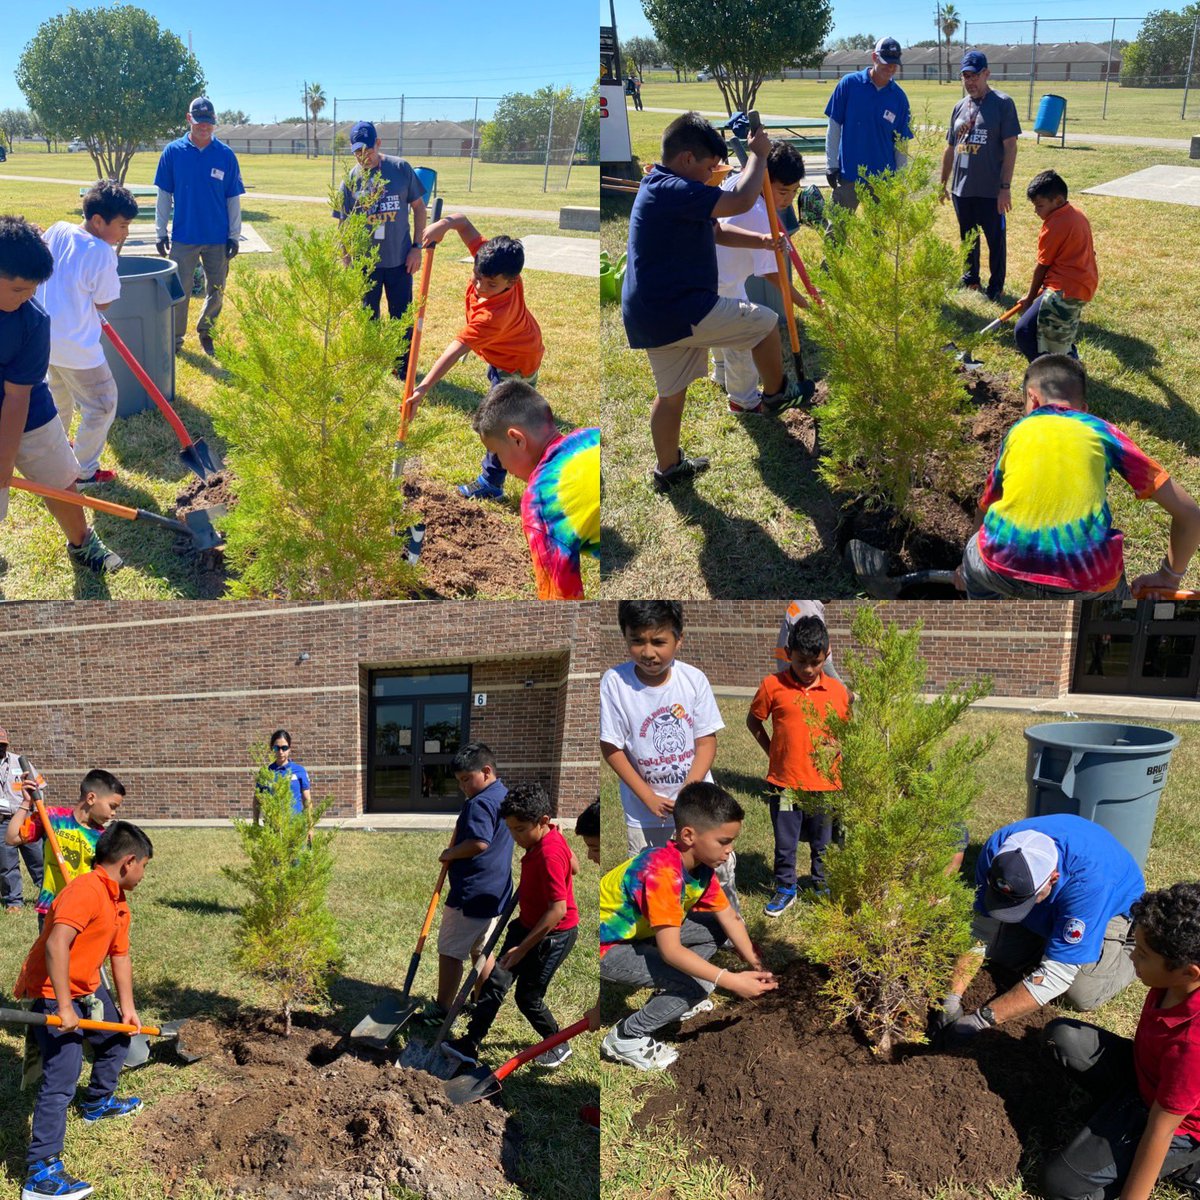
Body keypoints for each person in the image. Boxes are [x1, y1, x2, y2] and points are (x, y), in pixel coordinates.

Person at [621, 112, 802, 493]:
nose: (710, 176)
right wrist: (758, 156)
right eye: (707, 167)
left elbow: (717, 230)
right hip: (682, 308)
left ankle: (668, 469)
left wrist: (762, 242)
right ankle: (775, 396)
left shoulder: (659, 185)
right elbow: (740, 199)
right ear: (686, 158)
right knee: (766, 324)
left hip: (651, 315)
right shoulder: (673, 189)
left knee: (671, 395)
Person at [957, 355, 1200, 601]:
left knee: (975, 560)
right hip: (1086, 579)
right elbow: (1190, 515)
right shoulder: (1102, 431)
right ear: (1084, 410)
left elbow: (985, 506)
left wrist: (964, 570)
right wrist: (1169, 577)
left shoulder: (1019, 431)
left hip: (1000, 567)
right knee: (1113, 609)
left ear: (1033, 398)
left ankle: (991, 623)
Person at [15, 820, 153, 1200]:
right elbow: (56, 945)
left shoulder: (117, 900)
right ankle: (41, 1176)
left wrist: (127, 1008)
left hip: (87, 986)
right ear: (129, 862)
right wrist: (64, 1006)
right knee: (62, 1077)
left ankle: (97, 1101)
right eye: (144, 866)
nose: (143, 874)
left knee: (115, 1038)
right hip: (52, 991)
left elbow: (119, 955)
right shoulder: (86, 891)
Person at [598, 781, 777, 1069]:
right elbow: (671, 952)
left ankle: (669, 993)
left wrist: (757, 965)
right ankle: (627, 1036)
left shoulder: (700, 867)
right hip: (607, 947)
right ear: (688, 835)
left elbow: (729, 917)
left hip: (641, 934)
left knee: (716, 929)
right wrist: (728, 980)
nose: (729, 851)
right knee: (698, 986)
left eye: (732, 842)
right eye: (724, 841)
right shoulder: (662, 873)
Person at [1041, 881, 1200, 1200]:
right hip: (1145, 1078)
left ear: (1188, 973)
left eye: (1142, 955)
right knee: (1064, 1037)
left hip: (1177, 1124)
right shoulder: (1174, 981)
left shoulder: (1193, 1043)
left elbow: (1162, 1129)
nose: (1132, 960)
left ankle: (1189, 1164)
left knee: (1061, 1186)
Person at [937, 813, 1145, 1042]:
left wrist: (980, 1020)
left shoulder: (1088, 884)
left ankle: (1136, 944)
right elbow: (980, 930)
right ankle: (1052, 938)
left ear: (1053, 879)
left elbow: (1057, 974)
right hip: (1050, 904)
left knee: (1081, 993)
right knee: (1001, 957)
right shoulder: (996, 850)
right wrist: (951, 998)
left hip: (1108, 905)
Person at [0, 215, 123, 573]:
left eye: (34, 289)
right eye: (19, 289)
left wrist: (5, 463)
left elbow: (17, 399)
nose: (28, 298)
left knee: (61, 482)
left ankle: (83, 543)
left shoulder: (34, 320)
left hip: (28, 412)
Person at [599, 600, 739, 910]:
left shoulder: (693, 680)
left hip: (699, 804)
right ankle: (656, 929)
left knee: (719, 866)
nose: (648, 652)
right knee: (650, 873)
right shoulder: (615, 683)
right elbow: (612, 748)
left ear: (679, 639)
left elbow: (706, 741)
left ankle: (728, 925)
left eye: (658, 641)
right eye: (637, 641)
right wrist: (648, 796)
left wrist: (689, 790)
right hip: (644, 809)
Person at [408, 213, 544, 501]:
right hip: (506, 352)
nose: (481, 288)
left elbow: (455, 349)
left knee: (498, 425)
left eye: (491, 285)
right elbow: (464, 223)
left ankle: (491, 483)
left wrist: (422, 389)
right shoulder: (491, 262)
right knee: (512, 412)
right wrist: (443, 226)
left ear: (513, 281)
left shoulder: (494, 316)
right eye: (477, 278)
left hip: (516, 364)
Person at [443, 783, 579, 1069]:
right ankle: (470, 1043)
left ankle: (556, 1042)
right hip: (526, 925)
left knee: (527, 998)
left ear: (543, 821)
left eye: (520, 830)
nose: (515, 837)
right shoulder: (547, 839)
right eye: (510, 830)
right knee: (494, 983)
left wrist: (521, 949)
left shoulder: (550, 853)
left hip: (551, 936)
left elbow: (558, 910)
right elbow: (575, 868)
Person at [36, 180, 139, 486]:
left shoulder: (57, 229)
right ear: (98, 221)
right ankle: (84, 472)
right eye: (122, 225)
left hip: (44, 340)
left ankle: (57, 456)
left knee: (59, 399)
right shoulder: (102, 253)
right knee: (102, 404)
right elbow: (103, 301)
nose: (125, 233)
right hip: (77, 347)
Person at [747, 615, 851, 914]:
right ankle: (785, 888)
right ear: (788, 652)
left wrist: (838, 749)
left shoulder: (838, 692)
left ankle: (822, 885)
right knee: (785, 842)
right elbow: (753, 720)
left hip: (826, 786)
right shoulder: (772, 686)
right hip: (786, 785)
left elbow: (846, 731)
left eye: (815, 662)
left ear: (826, 656)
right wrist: (772, 752)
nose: (807, 669)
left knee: (824, 842)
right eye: (801, 661)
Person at [711, 140, 813, 415]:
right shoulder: (758, 216)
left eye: (793, 192)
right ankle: (742, 401)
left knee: (722, 333)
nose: (787, 199)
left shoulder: (739, 183)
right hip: (722, 282)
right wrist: (806, 304)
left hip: (712, 274)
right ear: (765, 180)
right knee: (743, 339)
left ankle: (720, 373)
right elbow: (774, 277)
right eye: (782, 192)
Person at [470, 380, 598, 600]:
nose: (502, 466)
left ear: (517, 440)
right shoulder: (590, 436)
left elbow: (561, 602)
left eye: (497, 454)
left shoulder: (540, 504)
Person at [333, 120, 427, 379]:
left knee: (401, 316)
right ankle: (373, 365)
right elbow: (344, 224)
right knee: (368, 317)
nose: (363, 156)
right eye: (357, 152)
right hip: (367, 263)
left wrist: (417, 248)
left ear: (378, 143)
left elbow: (419, 208)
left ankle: (402, 366)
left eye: (368, 150)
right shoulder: (350, 180)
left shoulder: (401, 169)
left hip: (399, 260)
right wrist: (347, 260)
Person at [154, 96, 245, 357]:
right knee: (178, 291)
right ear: (188, 119)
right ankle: (175, 339)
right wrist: (160, 232)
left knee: (217, 289)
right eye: (199, 122)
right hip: (184, 236)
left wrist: (234, 236)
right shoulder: (173, 152)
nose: (204, 128)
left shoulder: (225, 155)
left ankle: (207, 331)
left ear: (214, 123)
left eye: (208, 123)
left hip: (217, 237)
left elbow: (232, 198)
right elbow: (164, 195)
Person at [431, 743, 514, 1023]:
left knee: (451, 950)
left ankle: (442, 1010)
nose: (463, 787)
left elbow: (479, 842)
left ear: (487, 771)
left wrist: (450, 853)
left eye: (467, 779)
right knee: (481, 949)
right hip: (497, 890)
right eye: (459, 781)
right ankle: (481, 1002)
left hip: (472, 892)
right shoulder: (504, 795)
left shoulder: (480, 803)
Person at [939, 50, 1021, 302]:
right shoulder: (959, 107)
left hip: (990, 190)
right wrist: (943, 184)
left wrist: (1004, 187)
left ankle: (996, 285)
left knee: (995, 240)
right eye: (965, 76)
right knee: (968, 237)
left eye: (975, 75)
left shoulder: (1003, 103)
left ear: (986, 73)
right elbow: (951, 148)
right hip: (962, 190)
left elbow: (1010, 146)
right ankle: (971, 279)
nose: (970, 81)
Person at [4, 768, 126, 929]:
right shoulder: (52, 818)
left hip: (84, 910)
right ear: (91, 798)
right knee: (51, 954)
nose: (113, 813)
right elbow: (12, 838)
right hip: (51, 909)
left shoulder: (102, 838)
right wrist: (26, 802)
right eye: (112, 806)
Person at [1014, 169, 1098, 362]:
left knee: (1025, 332)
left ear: (1058, 201)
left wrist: (1029, 300)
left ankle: (1051, 374)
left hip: (1065, 290)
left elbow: (1042, 266)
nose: (1036, 212)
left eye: (1040, 206)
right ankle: (1063, 364)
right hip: (1079, 284)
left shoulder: (1054, 224)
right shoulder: (1077, 214)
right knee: (1054, 334)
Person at [823, 37, 913, 212]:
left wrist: (901, 181)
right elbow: (834, 127)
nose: (891, 68)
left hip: (883, 179)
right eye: (886, 63)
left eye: (895, 64)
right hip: (849, 174)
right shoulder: (849, 85)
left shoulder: (899, 98)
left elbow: (901, 145)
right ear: (874, 57)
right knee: (837, 230)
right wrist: (831, 164)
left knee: (878, 235)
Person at [0, 728, 43, 913]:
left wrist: (39, 813)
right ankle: (14, 902)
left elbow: (39, 787)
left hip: (26, 818)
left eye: (3, 745)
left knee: (38, 859)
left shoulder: (21, 762)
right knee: (6, 864)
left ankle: (48, 895)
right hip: (2, 822)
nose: (0, 748)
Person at [771, 599, 841, 679]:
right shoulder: (808, 610)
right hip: (797, 676)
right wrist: (842, 687)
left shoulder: (802, 604)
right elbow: (815, 654)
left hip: (791, 671)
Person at [259, 730, 312, 819]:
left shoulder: (299, 771)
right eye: (276, 748)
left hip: (295, 825)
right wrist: (255, 822)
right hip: (273, 825)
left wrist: (310, 825)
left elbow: (307, 800)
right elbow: (257, 799)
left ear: (289, 749)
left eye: (284, 748)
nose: (280, 752)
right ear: (272, 748)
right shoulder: (266, 772)